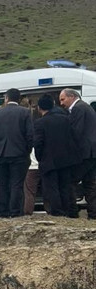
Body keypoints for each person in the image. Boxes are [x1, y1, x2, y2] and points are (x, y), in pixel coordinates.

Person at [0, 88, 33, 217]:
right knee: (16, 184)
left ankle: (3, 212)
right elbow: (30, 135)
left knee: (2, 183)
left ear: (6, 98)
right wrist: (27, 150)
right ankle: (15, 212)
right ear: (19, 99)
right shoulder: (25, 112)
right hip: (19, 154)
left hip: (1, 154)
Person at [35, 94, 81, 216]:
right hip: (67, 160)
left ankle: (57, 212)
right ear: (53, 105)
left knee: (52, 188)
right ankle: (69, 211)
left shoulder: (40, 123)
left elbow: (38, 143)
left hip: (49, 161)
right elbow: (74, 137)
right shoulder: (66, 119)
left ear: (39, 108)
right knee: (66, 187)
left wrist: (40, 158)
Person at [59, 88, 96, 218]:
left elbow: (76, 131)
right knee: (90, 183)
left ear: (72, 97)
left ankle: (72, 212)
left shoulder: (78, 108)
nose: (61, 103)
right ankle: (93, 213)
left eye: (63, 99)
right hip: (92, 153)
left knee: (70, 180)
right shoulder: (86, 107)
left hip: (84, 153)